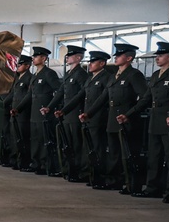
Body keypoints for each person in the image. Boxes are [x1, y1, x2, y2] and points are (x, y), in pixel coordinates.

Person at [86, 43, 147, 194]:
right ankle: (114, 181)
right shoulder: (114, 76)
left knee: (128, 153)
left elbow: (145, 97)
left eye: (119, 55)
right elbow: (103, 98)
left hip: (127, 119)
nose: (116, 57)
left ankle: (132, 184)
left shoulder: (134, 75)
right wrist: (89, 113)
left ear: (129, 58)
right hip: (113, 119)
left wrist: (130, 114)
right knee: (114, 152)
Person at [134, 43, 169, 201]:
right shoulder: (155, 75)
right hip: (155, 120)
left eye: (161, 55)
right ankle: (153, 188)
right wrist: (129, 114)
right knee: (154, 157)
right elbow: (146, 98)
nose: (157, 58)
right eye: (157, 56)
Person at [43, 45, 88, 181]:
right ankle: (69, 170)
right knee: (67, 144)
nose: (67, 57)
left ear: (78, 58)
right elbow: (60, 93)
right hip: (67, 114)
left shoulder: (81, 74)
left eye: (71, 55)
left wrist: (64, 110)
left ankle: (79, 172)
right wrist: (49, 107)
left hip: (75, 113)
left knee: (76, 145)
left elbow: (81, 95)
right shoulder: (69, 73)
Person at [76, 51, 115, 188]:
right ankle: (88, 173)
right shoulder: (90, 78)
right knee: (88, 148)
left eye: (93, 62)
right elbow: (81, 96)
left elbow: (102, 100)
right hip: (88, 117)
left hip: (98, 118)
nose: (89, 64)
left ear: (102, 63)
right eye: (90, 61)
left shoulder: (107, 78)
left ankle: (97, 175)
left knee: (97, 148)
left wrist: (90, 113)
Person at [19, 46, 60, 175]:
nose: (34, 58)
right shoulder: (35, 75)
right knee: (35, 138)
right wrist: (18, 108)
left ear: (43, 58)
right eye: (34, 56)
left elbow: (59, 91)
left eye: (36, 56)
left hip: (44, 110)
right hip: (34, 110)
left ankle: (45, 164)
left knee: (44, 139)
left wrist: (50, 106)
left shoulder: (49, 73)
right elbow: (29, 95)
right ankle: (36, 162)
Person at [4, 55, 32, 170]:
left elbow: (28, 96)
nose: (18, 67)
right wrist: (2, 105)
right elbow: (12, 95)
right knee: (13, 137)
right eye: (17, 65)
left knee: (22, 138)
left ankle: (23, 162)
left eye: (20, 65)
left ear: (27, 66)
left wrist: (18, 108)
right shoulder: (18, 78)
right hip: (14, 111)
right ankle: (14, 160)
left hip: (22, 112)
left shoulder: (29, 78)